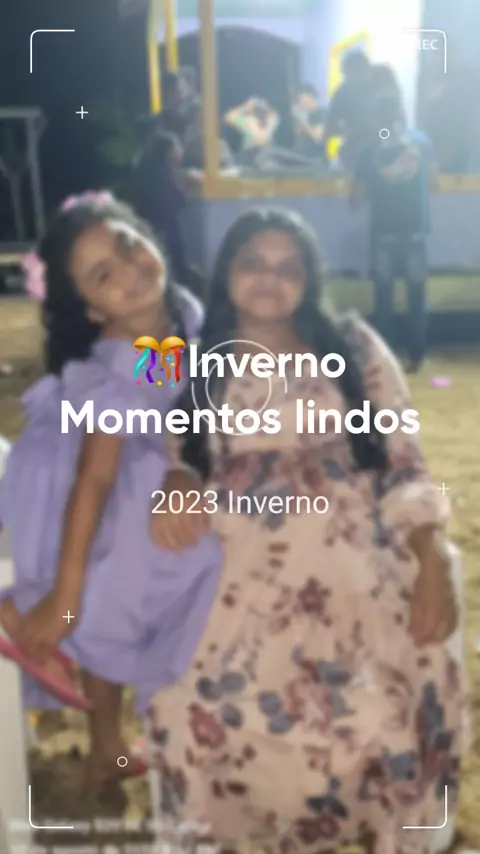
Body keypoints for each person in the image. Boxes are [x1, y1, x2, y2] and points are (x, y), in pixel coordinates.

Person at [147, 208, 467, 854]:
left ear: (311, 279)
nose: (270, 279)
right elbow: (151, 433)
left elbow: (402, 457)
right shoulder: (181, 352)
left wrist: (430, 555)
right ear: (224, 273)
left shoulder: (354, 344)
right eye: (252, 263)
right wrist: (178, 472)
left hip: (354, 557)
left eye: (289, 268)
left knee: (384, 708)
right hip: (238, 564)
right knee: (196, 705)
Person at [0, 193, 221, 788]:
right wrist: (67, 594)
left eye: (128, 244)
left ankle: (105, 741)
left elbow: (184, 398)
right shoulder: (120, 364)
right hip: (80, 472)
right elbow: (95, 478)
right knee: (125, 570)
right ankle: (31, 617)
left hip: (136, 459)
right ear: (93, 310)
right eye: (104, 275)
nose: (129, 269)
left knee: (141, 552)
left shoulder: (184, 315)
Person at [350, 93, 436, 372]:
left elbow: (356, 199)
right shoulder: (421, 142)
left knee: (384, 298)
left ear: (375, 117)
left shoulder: (370, 149)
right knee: (417, 296)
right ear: (401, 112)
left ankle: (386, 358)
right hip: (415, 232)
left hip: (384, 233)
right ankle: (417, 357)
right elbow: (434, 183)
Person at [132, 128, 189, 283]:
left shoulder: (145, 168)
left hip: (148, 223)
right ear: (168, 151)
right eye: (177, 146)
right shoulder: (163, 173)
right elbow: (177, 201)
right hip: (165, 226)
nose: (181, 150)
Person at [323, 49, 372, 171]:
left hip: (362, 152)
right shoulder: (342, 93)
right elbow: (330, 128)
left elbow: (330, 128)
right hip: (354, 152)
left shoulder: (343, 92)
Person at [224, 97, 279, 167]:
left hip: (250, 158)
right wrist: (265, 105)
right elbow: (274, 114)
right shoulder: (271, 122)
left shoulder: (248, 122)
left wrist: (245, 107)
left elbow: (229, 116)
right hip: (266, 157)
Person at [292, 84, 326, 159]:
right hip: (298, 157)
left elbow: (317, 137)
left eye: (301, 99)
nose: (299, 103)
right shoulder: (303, 114)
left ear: (311, 96)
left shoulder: (321, 113)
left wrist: (301, 119)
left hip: (315, 159)